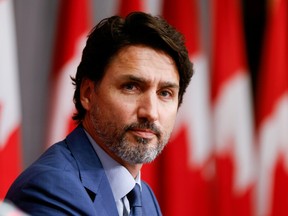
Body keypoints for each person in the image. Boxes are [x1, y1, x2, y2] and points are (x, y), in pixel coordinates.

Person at [5, 11, 193, 215]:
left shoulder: (145, 199)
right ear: (87, 94)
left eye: (165, 93)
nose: (150, 112)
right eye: (131, 87)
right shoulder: (49, 188)